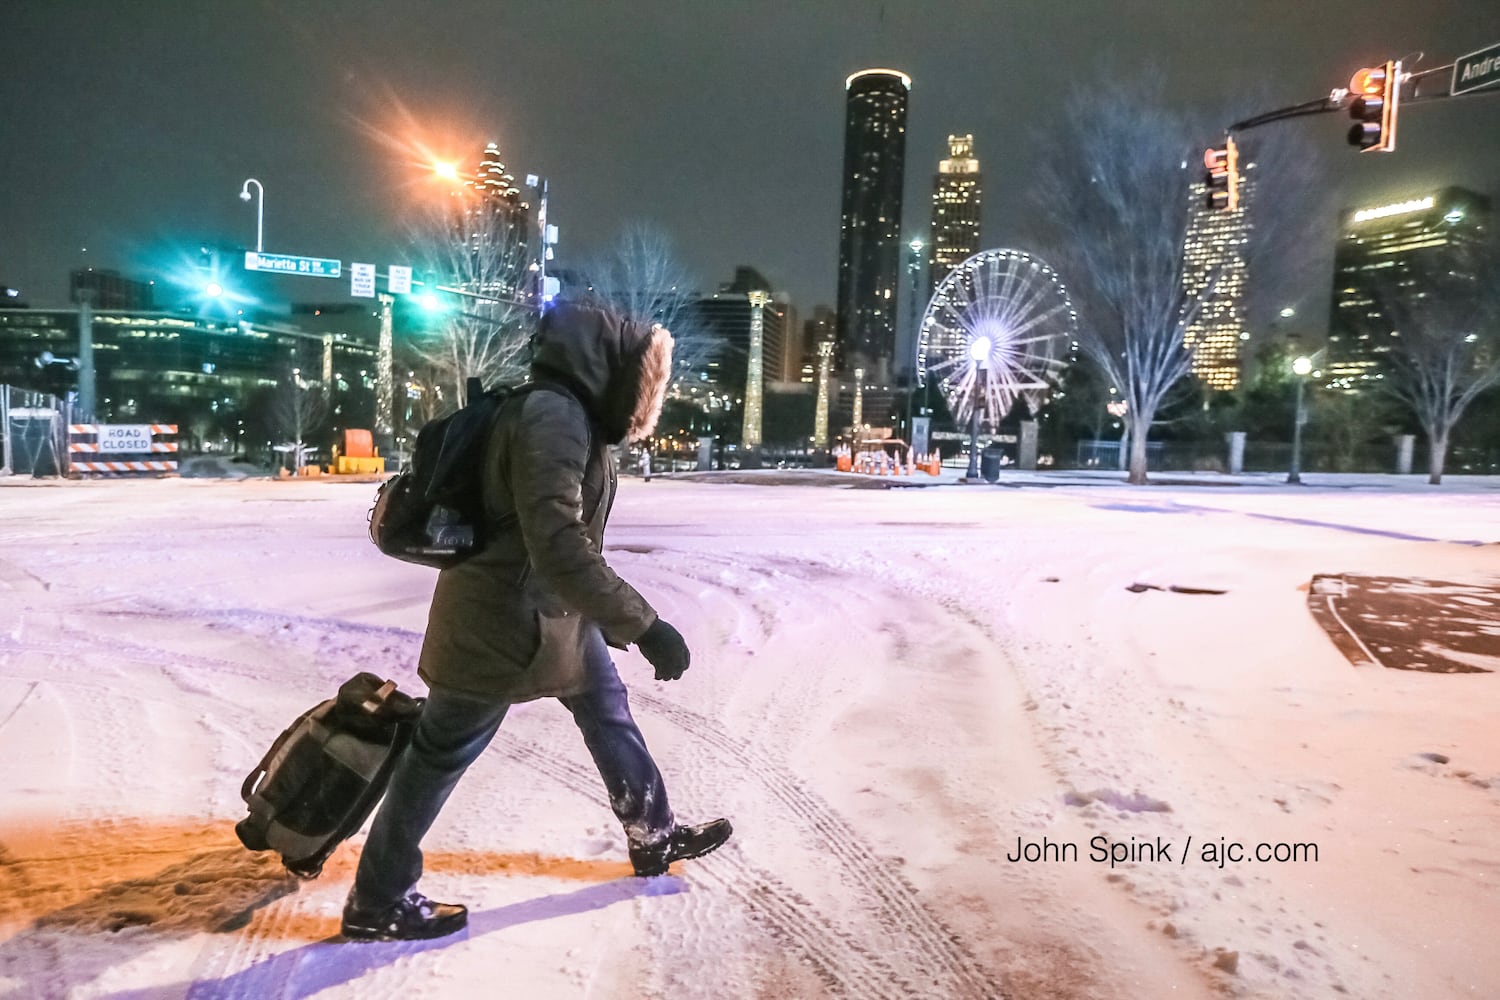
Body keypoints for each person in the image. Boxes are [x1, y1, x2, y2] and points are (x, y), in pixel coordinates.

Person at [342, 302, 732, 942]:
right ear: (606, 366)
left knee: (608, 711)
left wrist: (605, 618)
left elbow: (569, 544)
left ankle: (653, 834)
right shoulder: (553, 416)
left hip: (552, 615)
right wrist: (644, 623)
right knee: (437, 754)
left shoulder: (566, 414)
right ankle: (377, 900)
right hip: (502, 622)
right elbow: (559, 543)